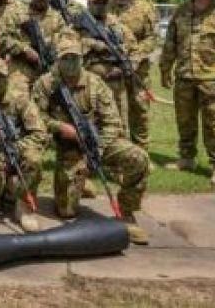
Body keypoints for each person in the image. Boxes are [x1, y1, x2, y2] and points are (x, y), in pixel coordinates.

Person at [32, 38, 150, 244]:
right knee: (66, 211)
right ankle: (80, 181)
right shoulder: (46, 84)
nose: (70, 63)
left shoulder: (96, 84)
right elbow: (34, 116)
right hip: (68, 147)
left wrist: (98, 148)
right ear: (58, 60)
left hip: (98, 141)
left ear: (82, 59)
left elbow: (113, 122)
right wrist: (59, 127)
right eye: (65, 58)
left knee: (138, 157)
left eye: (74, 58)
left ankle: (126, 212)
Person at [0, 58, 47, 232]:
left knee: (33, 159)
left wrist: (16, 147)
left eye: (0, 76)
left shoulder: (20, 98)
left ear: (7, 77)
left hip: (18, 151)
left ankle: (23, 205)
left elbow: (40, 134)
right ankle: (8, 188)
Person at [160, 0, 215, 185]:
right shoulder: (180, 11)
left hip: (211, 78)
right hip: (184, 76)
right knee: (185, 121)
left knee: (213, 123)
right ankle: (186, 158)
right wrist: (165, 68)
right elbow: (170, 42)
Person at [108, 0, 158, 151]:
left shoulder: (144, 8)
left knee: (140, 111)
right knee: (112, 112)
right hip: (111, 71)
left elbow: (152, 37)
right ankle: (119, 154)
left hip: (138, 71)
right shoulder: (104, 7)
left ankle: (142, 154)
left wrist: (135, 58)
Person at [79, 0, 137, 137]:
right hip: (89, 83)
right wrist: (93, 44)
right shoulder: (79, 23)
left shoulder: (115, 23)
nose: (100, 6)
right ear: (89, 4)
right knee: (92, 121)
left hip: (116, 82)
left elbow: (133, 47)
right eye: (96, 2)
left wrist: (126, 65)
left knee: (120, 123)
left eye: (104, 2)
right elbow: (68, 44)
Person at [4, 0, 66, 89]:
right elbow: (3, 39)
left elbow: (67, 40)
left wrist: (55, 50)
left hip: (51, 66)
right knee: (17, 91)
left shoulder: (58, 18)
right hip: (22, 66)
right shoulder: (17, 14)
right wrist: (24, 49)